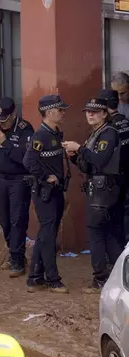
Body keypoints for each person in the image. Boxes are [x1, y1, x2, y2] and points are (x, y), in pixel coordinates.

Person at [63, 97, 122, 293]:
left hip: (103, 191)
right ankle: (119, 274)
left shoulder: (108, 134)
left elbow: (99, 161)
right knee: (107, 233)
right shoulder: (95, 133)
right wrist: (75, 157)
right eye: (88, 111)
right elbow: (88, 164)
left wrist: (79, 148)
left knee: (96, 233)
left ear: (105, 114)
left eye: (95, 111)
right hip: (97, 189)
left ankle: (100, 279)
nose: (90, 114)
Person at [0, 98, 34, 277]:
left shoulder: (25, 129)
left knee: (18, 220)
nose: (2, 123)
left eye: (5, 119)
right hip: (1, 179)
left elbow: (26, 158)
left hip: (19, 180)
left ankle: (17, 258)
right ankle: (14, 252)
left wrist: (5, 143)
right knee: (5, 221)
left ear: (14, 115)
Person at [22, 95, 71, 294]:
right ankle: (52, 279)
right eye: (60, 110)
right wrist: (46, 176)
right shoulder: (40, 135)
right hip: (45, 193)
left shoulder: (54, 133)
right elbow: (28, 161)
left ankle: (35, 277)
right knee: (48, 236)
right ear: (49, 112)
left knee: (45, 235)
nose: (63, 113)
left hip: (55, 191)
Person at [100, 88, 129, 244]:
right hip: (126, 172)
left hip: (116, 176)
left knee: (115, 214)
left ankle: (119, 249)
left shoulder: (110, 128)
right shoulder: (125, 120)